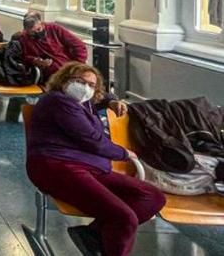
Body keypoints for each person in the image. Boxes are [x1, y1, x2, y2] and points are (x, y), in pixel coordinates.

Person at [26, 63, 165, 256]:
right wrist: (124, 154)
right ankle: (105, 241)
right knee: (124, 217)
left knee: (153, 197)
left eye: (91, 85)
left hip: (89, 167)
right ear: (64, 81)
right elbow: (92, 140)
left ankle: (92, 233)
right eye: (79, 81)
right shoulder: (58, 101)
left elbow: (100, 98)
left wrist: (112, 100)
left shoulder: (83, 102)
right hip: (56, 166)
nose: (85, 88)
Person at [19, 12, 87, 79]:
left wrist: (77, 65)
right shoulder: (24, 37)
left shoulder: (54, 28)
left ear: (41, 23)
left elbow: (79, 45)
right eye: (32, 33)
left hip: (68, 67)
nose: (37, 33)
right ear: (26, 30)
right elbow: (24, 57)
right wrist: (36, 61)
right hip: (48, 74)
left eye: (38, 29)